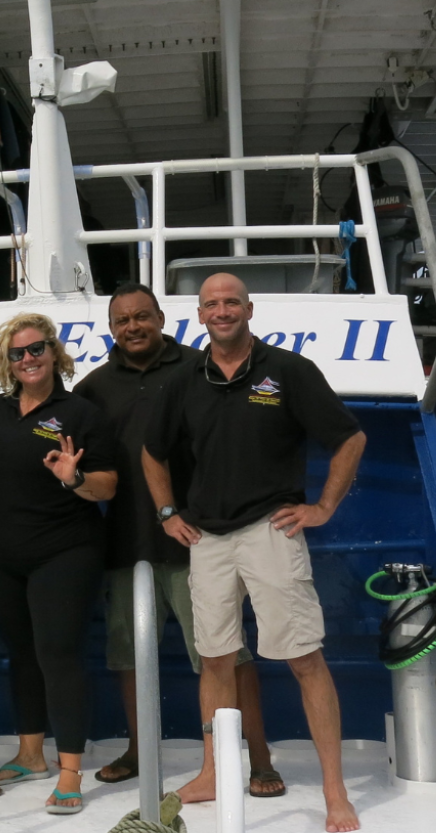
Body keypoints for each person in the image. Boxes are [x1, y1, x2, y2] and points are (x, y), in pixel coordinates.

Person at [143, 272, 367, 833]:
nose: (222, 311)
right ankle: (214, 772)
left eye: (231, 303)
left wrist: (323, 507)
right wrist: (168, 513)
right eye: (211, 304)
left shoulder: (287, 371)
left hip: (272, 531)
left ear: (249, 309)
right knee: (215, 659)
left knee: (303, 658)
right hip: (208, 540)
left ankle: (335, 792)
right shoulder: (183, 380)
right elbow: (151, 453)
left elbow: (350, 438)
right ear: (199, 316)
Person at [73, 283, 280, 798]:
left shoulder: (199, 368)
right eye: (122, 320)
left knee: (227, 656)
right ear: (111, 327)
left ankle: (258, 758)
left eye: (142, 316)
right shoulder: (93, 389)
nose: (133, 327)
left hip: (200, 539)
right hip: (125, 542)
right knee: (127, 658)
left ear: (162, 318)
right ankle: (140, 750)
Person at [0, 313, 117, 814]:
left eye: (37, 349)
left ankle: (69, 772)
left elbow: (107, 484)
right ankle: (30, 753)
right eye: (18, 353)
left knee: (58, 654)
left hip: (64, 552)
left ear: (55, 353)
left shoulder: (80, 413)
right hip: (3, 555)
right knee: (20, 651)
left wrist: (73, 477)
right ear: (7, 362)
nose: (28, 359)